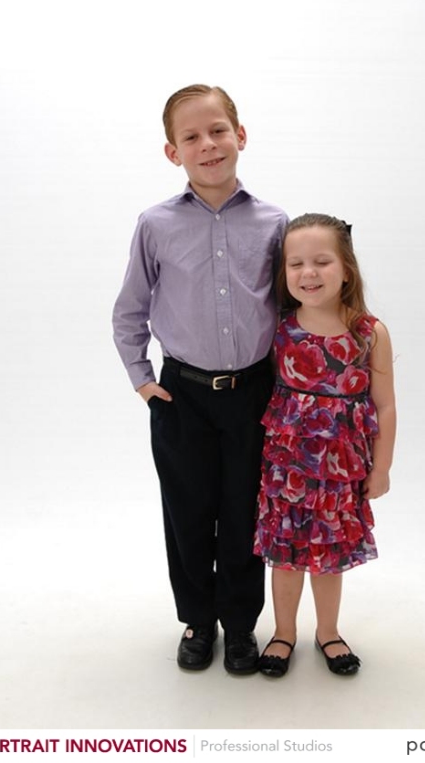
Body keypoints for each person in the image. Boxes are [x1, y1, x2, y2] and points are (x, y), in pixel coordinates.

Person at [112, 84, 288, 674]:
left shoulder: (274, 222)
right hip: (181, 395)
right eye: (191, 137)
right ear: (173, 152)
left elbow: (290, 307)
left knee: (244, 511)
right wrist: (143, 381)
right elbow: (129, 311)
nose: (207, 144)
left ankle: (239, 625)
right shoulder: (155, 224)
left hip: (254, 394)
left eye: (217, 131)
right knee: (187, 512)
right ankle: (198, 620)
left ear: (241, 136)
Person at [253, 213, 396, 678]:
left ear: (346, 269)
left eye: (321, 261)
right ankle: (283, 633)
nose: (308, 273)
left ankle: (328, 632)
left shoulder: (368, 333)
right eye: (295, 264)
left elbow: (385, 406)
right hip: (287, 471)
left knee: (328, 559)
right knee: (286, 557)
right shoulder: (278, 328)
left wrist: (381, 468)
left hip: (339, 474)